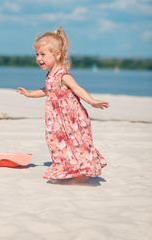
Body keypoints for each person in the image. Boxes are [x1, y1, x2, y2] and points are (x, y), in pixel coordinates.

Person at [17, 27, 109, 183]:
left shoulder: (63, 75)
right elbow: (48, 90)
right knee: (56, 142)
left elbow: (77, 89)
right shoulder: (50, 74)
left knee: (76, 143)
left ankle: (82, 174)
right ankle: (67, 168)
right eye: (37, 54)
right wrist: (30, 94)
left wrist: (92, 101)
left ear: (57, 55)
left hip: (71, 118)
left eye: (43, 54)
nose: (39, 58)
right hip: (56, 119)